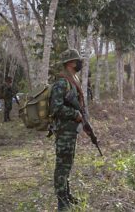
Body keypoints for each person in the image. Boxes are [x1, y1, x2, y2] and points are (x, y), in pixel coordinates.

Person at [50, 49, 85, 211]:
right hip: (64, 131)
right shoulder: (62, 82)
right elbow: (55, 108)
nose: (80, 63)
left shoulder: (73, 79)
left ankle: (66, 195)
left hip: (70, 131)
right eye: (77, 61)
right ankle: (61, 202)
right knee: (62, 165)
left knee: (67, 164)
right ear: (71, 63)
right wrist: (75, 113)